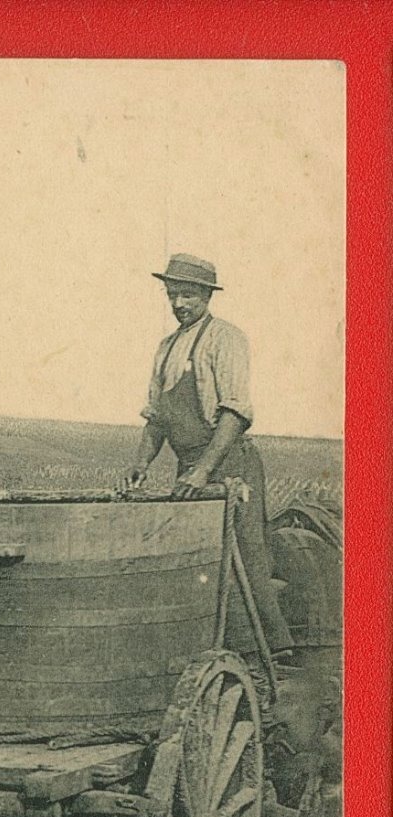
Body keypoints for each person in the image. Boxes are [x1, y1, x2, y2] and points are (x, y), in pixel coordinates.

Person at [123, 253, 294, 671]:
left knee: (246, 555)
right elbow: (157, 417)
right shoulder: (165, 348)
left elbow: (235, 412)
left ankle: (269, 654)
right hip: (190, 469)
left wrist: (203, 471)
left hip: (229, 463)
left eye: (188, 294)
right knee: (196, 558)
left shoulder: (225, 338)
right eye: (172, 294)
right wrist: (140, 462)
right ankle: (207, 649)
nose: (179, 303)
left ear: (205, 295)